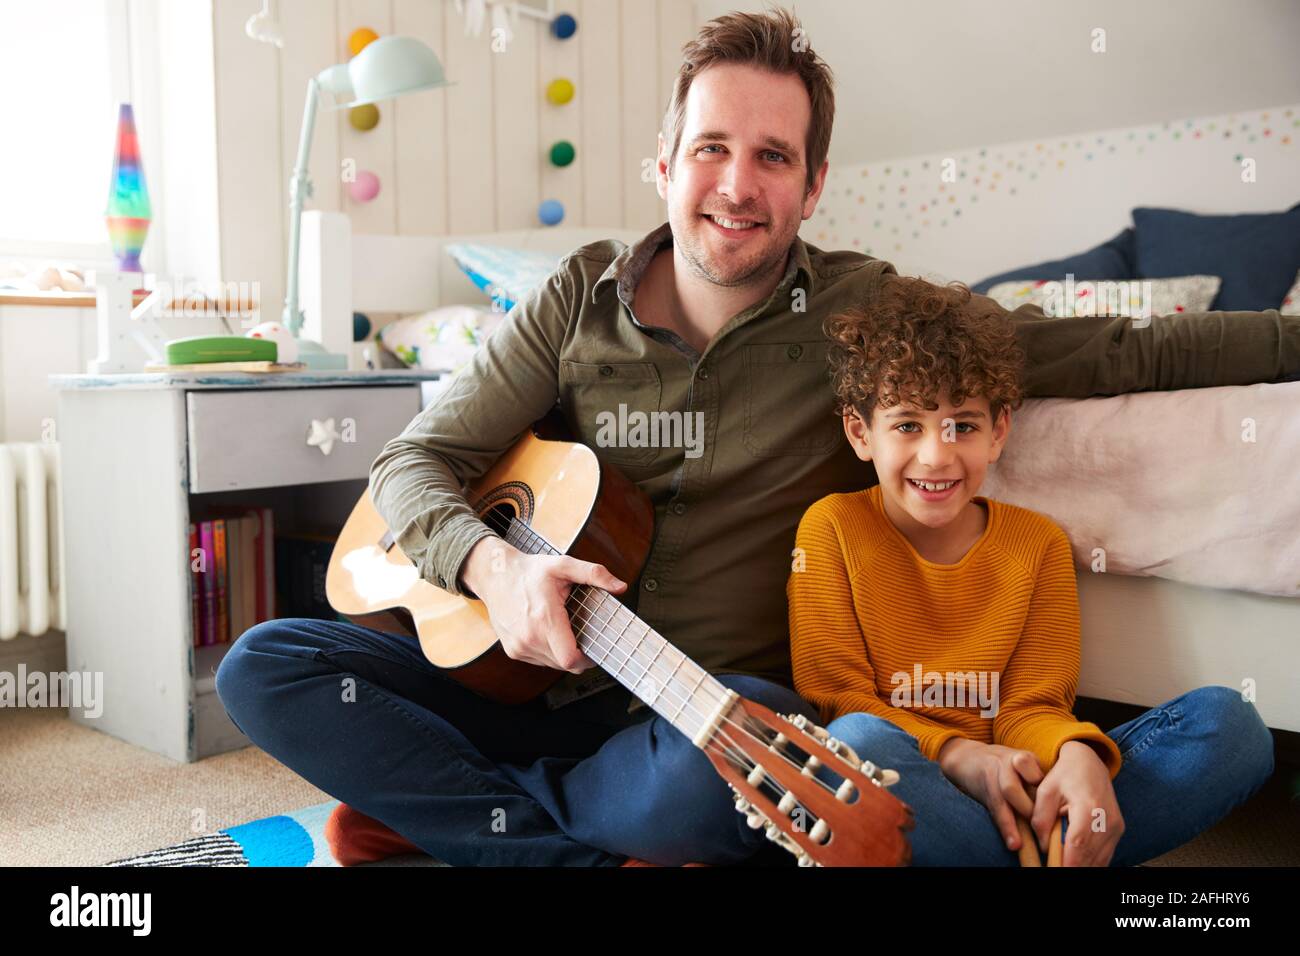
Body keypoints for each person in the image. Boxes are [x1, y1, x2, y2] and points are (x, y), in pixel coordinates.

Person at [215, 7, 1297, 867]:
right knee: (267, 663)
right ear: (664, 164)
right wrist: (493, 565)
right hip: (516, 682)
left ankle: (468, 821)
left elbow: (1103, 350)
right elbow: (415, 462)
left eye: (773, 158)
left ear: (813, 185)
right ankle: (566, 846)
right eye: (711, 149)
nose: (736, 185)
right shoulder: (570, 299)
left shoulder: (866, 315)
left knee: (791, 765)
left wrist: (1284, 339)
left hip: (703, 723)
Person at [788, 276, 1275, 866]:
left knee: (1231, 725)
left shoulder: (1036, 542)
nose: (937, 454)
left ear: (999, 432)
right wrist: (957, 756)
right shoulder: (831, 528)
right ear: (861, 432)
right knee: (856, 747)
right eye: (908, 425)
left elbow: (1032, 707)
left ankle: (1024, 850)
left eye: (963, 425)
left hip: (1026, 783)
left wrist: (1076, 755)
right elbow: (839, 704)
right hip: (916, 780)